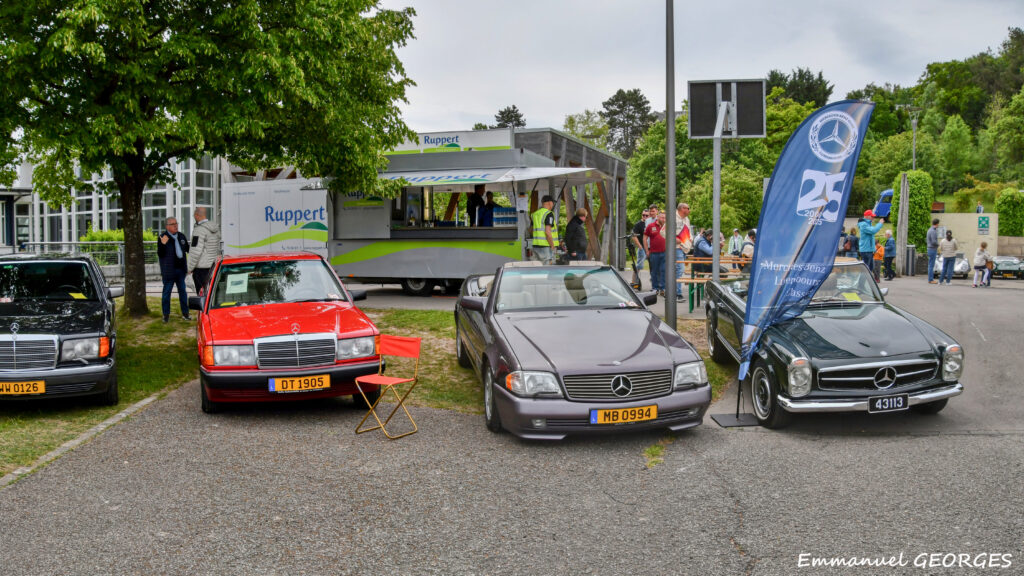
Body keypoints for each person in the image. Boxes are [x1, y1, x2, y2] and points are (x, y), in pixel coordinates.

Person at [157, 217, 190, 322]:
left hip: (181, 270)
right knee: (167, 293)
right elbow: (160, 254)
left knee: (183, 292)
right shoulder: (163, 237)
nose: (175, 225)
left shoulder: (181, 236)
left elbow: (188, 249)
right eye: (172, 224)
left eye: (176, 223)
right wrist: (163, 244)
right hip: (169, 271)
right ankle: (166, 315)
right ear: (167, 226)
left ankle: (185, 314)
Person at [187, 206, 222, 297]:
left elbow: (195, 252)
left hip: (201, 269)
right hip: (213, 266)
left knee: (202, 295)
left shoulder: (199, 230)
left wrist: (189, 268)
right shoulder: (215, 229)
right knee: (212, 294)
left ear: (196, 215)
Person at [670, 202, 692, 302]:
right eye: (688, 208)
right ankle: (677, 294)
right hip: (676, 247)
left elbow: (689, 232)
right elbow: (663, 232)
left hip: (684, 247)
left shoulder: (687, 219)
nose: (689, 210)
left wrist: (690, 239)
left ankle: (672, 292)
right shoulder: (673, 218)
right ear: (682, 209)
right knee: (680, 269)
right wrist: (674, 239)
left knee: (677, 270)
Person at [644, 211, 667, 295]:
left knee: (664, 270)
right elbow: (645, 238)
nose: (664, 219)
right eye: (662, 217)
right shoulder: (651, 226)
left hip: (665, 252)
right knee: (654, 271)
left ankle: (663, 288)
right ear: (658, 217)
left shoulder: (667, 226)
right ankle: (655, 288)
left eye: (665, 218)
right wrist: (647, 250)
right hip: (654, 253)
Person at [530, 195, 558, 264]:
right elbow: (548, 232)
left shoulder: (535, 214)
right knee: (547, 268)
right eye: (553, 203)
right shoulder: (549, 214)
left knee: (537, 267)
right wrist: (552, 246)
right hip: (546, 246)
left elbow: (530, 230)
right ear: (550, 203)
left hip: (536, 246)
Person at [858, 209, 884, 275]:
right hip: (866, 250)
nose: (873, 218)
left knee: (870, 268)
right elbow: (873, 231)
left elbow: (872, 235)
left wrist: (873, 249)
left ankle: (864, 281)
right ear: (867, 216)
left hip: (868, 250)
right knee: (867, 270)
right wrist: (880, 224)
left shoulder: (867, 224)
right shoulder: (863, 225)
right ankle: (862, 281)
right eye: (872, 216)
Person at [630, 210, 649, 285]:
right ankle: (633, 282)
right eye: (643, 215)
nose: (645, 216)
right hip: (642, 248)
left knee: (654, 266)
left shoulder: (650, 223)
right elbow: (633, 236)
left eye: (646, 215)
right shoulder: (638, 224)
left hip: (650, 248)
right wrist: (640, 246)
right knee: (639, 266)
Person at [926, 218, 941, 284]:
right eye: (938, 224)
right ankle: (931, 279)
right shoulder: (933, 231)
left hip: (929, 248)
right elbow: (934, 241)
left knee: (930, 265)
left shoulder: (929, 230)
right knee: (931, 265)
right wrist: (939, 244)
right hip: (932, 249)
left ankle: (930, 279)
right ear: (937, 224)